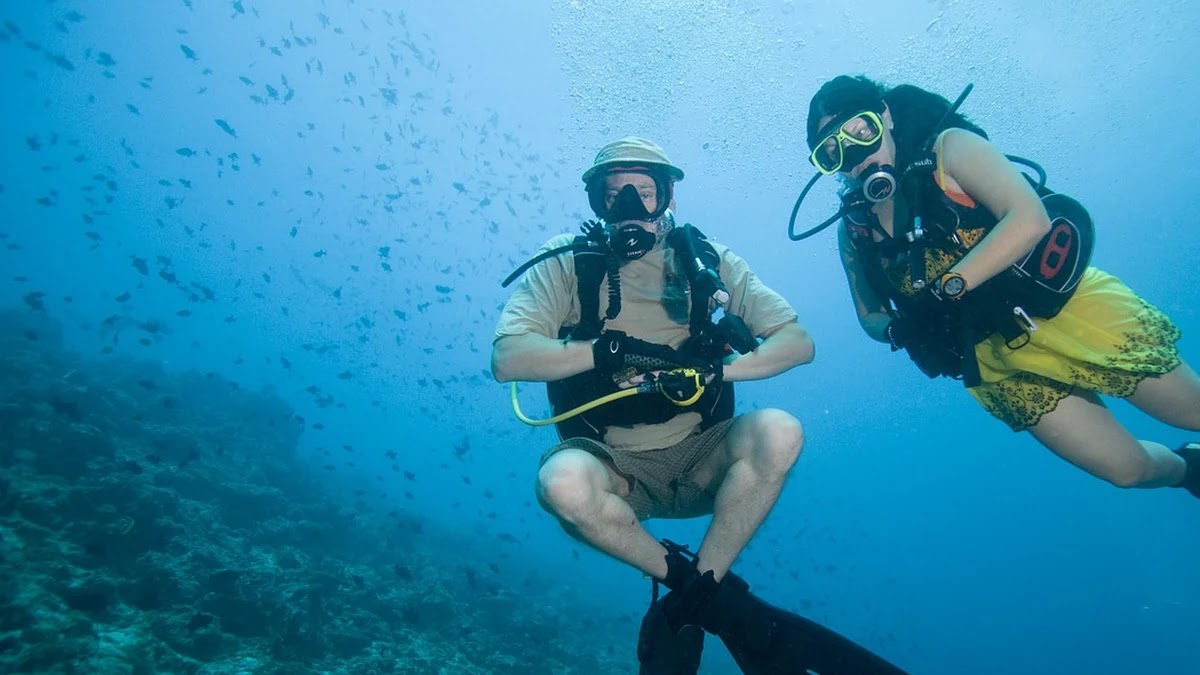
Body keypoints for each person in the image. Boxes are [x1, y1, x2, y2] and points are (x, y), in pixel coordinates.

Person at [493, 137, 909, 674]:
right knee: (559, 485)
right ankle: (702, 596)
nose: (630, 210)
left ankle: (691, 601)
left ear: (667, 196)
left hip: (702, 457)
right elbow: (508, 358)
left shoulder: (707, 262)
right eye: (613, 195)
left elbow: (797, 342)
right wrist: (600, 349)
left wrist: (717, 370)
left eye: (645, 193)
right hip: (613, 469)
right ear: (595, 203)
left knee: (780, 430)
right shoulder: (569, 264)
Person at [802, 75, 1200, 498]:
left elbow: (1029, 218)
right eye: (833, 153)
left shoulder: (949, 149)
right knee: (1127, 470)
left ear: (885, 115)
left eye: (860, 132)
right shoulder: (855, 230)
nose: (855, 156)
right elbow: (869, 314)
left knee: (1193, 409)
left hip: (1064, 310)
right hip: (999, 363)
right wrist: (898, 330)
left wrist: (949, 288)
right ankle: (1189, 467)